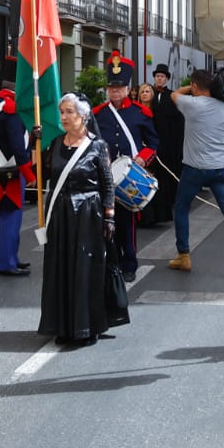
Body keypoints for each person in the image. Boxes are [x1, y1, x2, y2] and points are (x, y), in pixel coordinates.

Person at [38, 93, 124, 345]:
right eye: (61, 112)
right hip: (60, 214)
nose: (63, 117)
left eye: (69, 112)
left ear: (83, 116)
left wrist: (109, 217)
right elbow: (40, 176)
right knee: (60, 269)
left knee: (85, 270)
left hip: (88, 214)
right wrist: (34, 145)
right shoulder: (54, 144)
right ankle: (63, 326)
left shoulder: (97, 146)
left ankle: (86, 327)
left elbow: (108, 184)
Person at [167, 68, 224, 277]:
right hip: (221, 169)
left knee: (181, 208)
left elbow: (173, 94)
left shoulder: (191, 104)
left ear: (196, 87)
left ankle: (184, 255)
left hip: (194, 169)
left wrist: (191, 87)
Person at [93, 52, 159, 280]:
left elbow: (153, 143)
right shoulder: (98, 114)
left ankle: (129, 264)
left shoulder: (140, 113)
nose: (115, 92)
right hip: (105, 176)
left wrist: (142, 158)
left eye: (119, 88)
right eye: (111, 88)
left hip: (128, 177)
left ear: (127, 88)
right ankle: (112, 262)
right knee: (105, 221)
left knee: (126, 222)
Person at [0, 82, 34, 276]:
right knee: (11, 218)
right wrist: (29, 174)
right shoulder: (9, 108)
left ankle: (12, 257)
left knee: (9, 216)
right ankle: (6, 262)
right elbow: (16, 145)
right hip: (10, 169)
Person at [143, 63, 182, 227]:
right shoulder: (148, 94)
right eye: (157, 76)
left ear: (166, 79)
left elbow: (178, 122)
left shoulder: (171, 96)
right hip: (150, 143)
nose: (159, 79)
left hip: (168, 143)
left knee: (167, 175)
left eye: (162, 76)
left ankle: (168, 203)